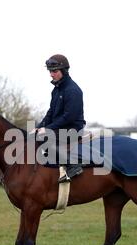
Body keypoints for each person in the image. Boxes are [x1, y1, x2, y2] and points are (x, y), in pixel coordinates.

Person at [33, 54, 86, 183]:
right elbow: (51, 113)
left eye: (54, 71)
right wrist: (39, 127)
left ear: (64, 71)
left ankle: (73, 165)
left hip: (73, 129)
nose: (51, 74)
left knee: (44, 137)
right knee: (35, 136)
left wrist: (47, 129)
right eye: (50, 71)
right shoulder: (56, 90)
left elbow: (69, 117)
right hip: (60, 128)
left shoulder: (73, 90)